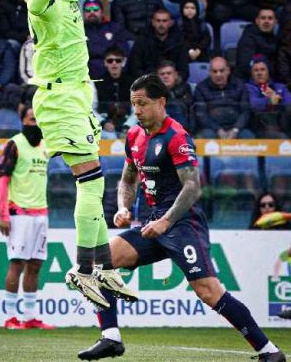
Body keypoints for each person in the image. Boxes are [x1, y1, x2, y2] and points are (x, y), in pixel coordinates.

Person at [77, 74, 286, 362]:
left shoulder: (176, 136)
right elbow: (128, 179)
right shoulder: (135, 136)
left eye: (142, 104)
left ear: (161, 102)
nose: (136, 110)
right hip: (153, 223)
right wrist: (123, 208)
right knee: (100, 260)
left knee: (209, 292)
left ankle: (269, 351)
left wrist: (166, 221)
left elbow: (193, 187)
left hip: (183, 224)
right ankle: (110, 337)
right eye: (133, 104)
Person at [24, 0, 137, 309]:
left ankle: (104, 267)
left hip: (77, 98)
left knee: (95, 185)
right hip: (59, 100)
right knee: (91, 184)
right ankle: (82, 269)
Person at [0, 107, 55, 330]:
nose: (35, 123)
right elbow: (2, 179)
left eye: (39, 119)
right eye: (32, 119)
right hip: (18, 213)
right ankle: (11, 318)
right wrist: (3, 214)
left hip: (41, 213)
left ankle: (29, 318)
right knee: (17, 263)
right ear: (22, 120)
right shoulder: (14, 144)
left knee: (35, 265)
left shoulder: (45, 146)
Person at [193, 57, 253, 139]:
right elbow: (201, 114)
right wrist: (218, 130)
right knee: (206, 136)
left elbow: (245, 111)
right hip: (211, 128)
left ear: (228, 71)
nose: (218, 74)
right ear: (209, 72)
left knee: (248, 137)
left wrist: (236, 129)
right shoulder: (201, 88)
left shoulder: (240, 85)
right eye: (214, 71)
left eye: (222, 71)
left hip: (237, 127)